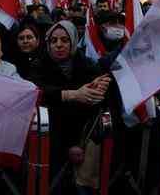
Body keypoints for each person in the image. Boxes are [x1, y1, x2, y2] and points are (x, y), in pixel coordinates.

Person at [29, 20, 111, 194]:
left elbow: (98, 99)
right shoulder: (39, 65)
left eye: (65, 40)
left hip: (82, 135)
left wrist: (100, 87)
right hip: (50, 136)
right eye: (54, 41)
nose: (59, 45)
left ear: (73, 42)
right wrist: (73, 94)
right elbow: (38, 92)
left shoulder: (87, 64)